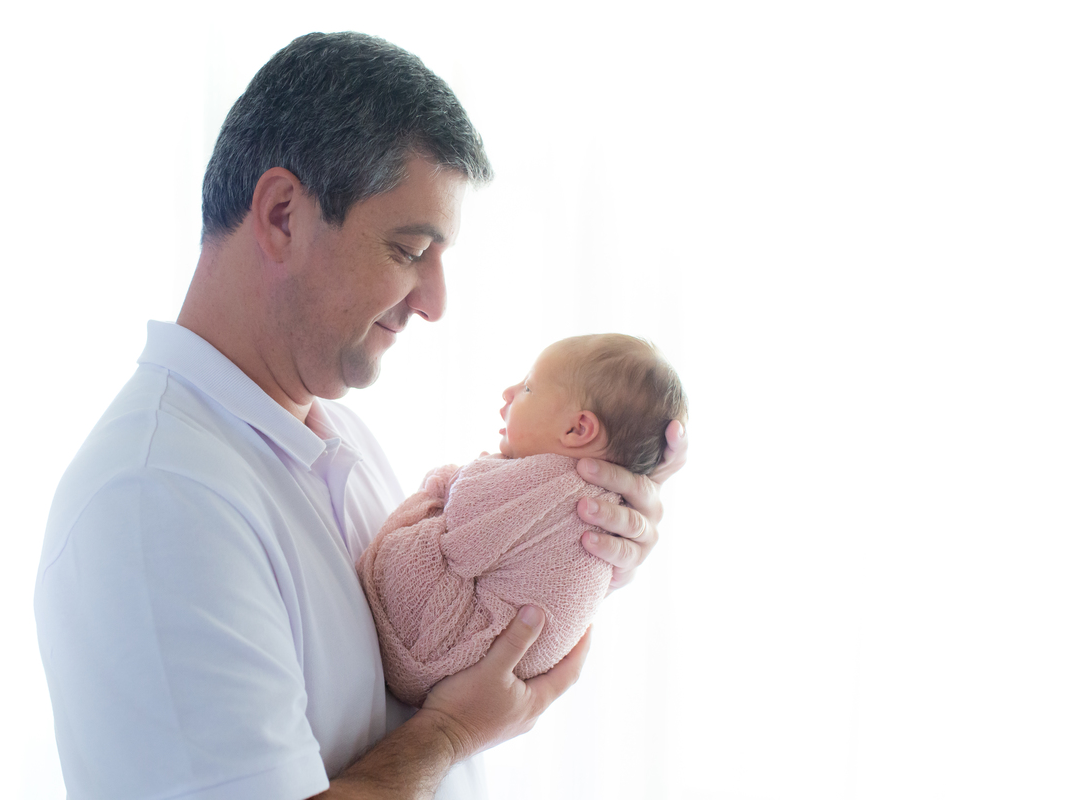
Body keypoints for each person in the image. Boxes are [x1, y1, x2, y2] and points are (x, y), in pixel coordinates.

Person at [33, 31, 686, 800]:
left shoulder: (333, 439)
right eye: (410, 250)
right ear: (281, 214)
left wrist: (582, 533)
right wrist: (450, 733)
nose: (436, 303)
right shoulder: (156, 501)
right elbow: (439, 722)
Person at [360, 334, 688, 707]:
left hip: (437, 648)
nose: (509, 391)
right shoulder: (605, 505)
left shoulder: (559, 483)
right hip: (494, 673)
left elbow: (465, 524)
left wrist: (445, 481)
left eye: (528, 387)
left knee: (419, 532)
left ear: (577, 429)